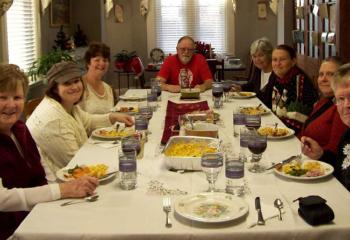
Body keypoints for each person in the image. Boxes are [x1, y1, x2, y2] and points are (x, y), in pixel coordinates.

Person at [0, 64, 99, 239]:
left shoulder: (20, 129)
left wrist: (58, 198)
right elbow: (2, 199)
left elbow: (43, 168)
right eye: (2, 97)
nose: (11, 105)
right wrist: (61, 191)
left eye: (17, 97)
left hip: (36, 214)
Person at [26, 61, 134, 180]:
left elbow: (88, 120)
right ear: (55, 88)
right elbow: (75, 162)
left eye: (77, 81)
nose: (75, 87)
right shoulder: (54, 120)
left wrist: (113, 117)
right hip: (57, 183)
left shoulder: (67, 105)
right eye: (67, 83)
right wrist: (115, 158)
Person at [301, 63, 350, 191]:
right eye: (340, 98)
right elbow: (341, 170)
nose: (346, 105)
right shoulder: (347, 136)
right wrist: (320, 155)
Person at [299, 57, 347, 156]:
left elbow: (335, 151)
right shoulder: (324, 101)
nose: (323, 79)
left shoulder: (342, 108)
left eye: (330, 74)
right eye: (321, 74)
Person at [271, 44, 318, 135]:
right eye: (274, 60)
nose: (277, 63)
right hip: (280, 127)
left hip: (298, 134)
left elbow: (300, 117)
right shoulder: (278, 78)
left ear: (293, 61)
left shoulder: (300, 81)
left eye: (283, 59)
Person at [232, 37, 276, 108]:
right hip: (256, 108)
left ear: (269, 55)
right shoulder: (258, 69)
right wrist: (240, 88)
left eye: (261, 55)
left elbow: (267, 100)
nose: (257, 59)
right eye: (254, 56)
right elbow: (252, 85)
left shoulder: (276, 74)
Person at [79, 42, 115, 114]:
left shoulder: (108, 89)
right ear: (88, 63)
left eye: (105, 60)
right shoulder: (80, 86)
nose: (102, 63)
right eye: (97, 60)